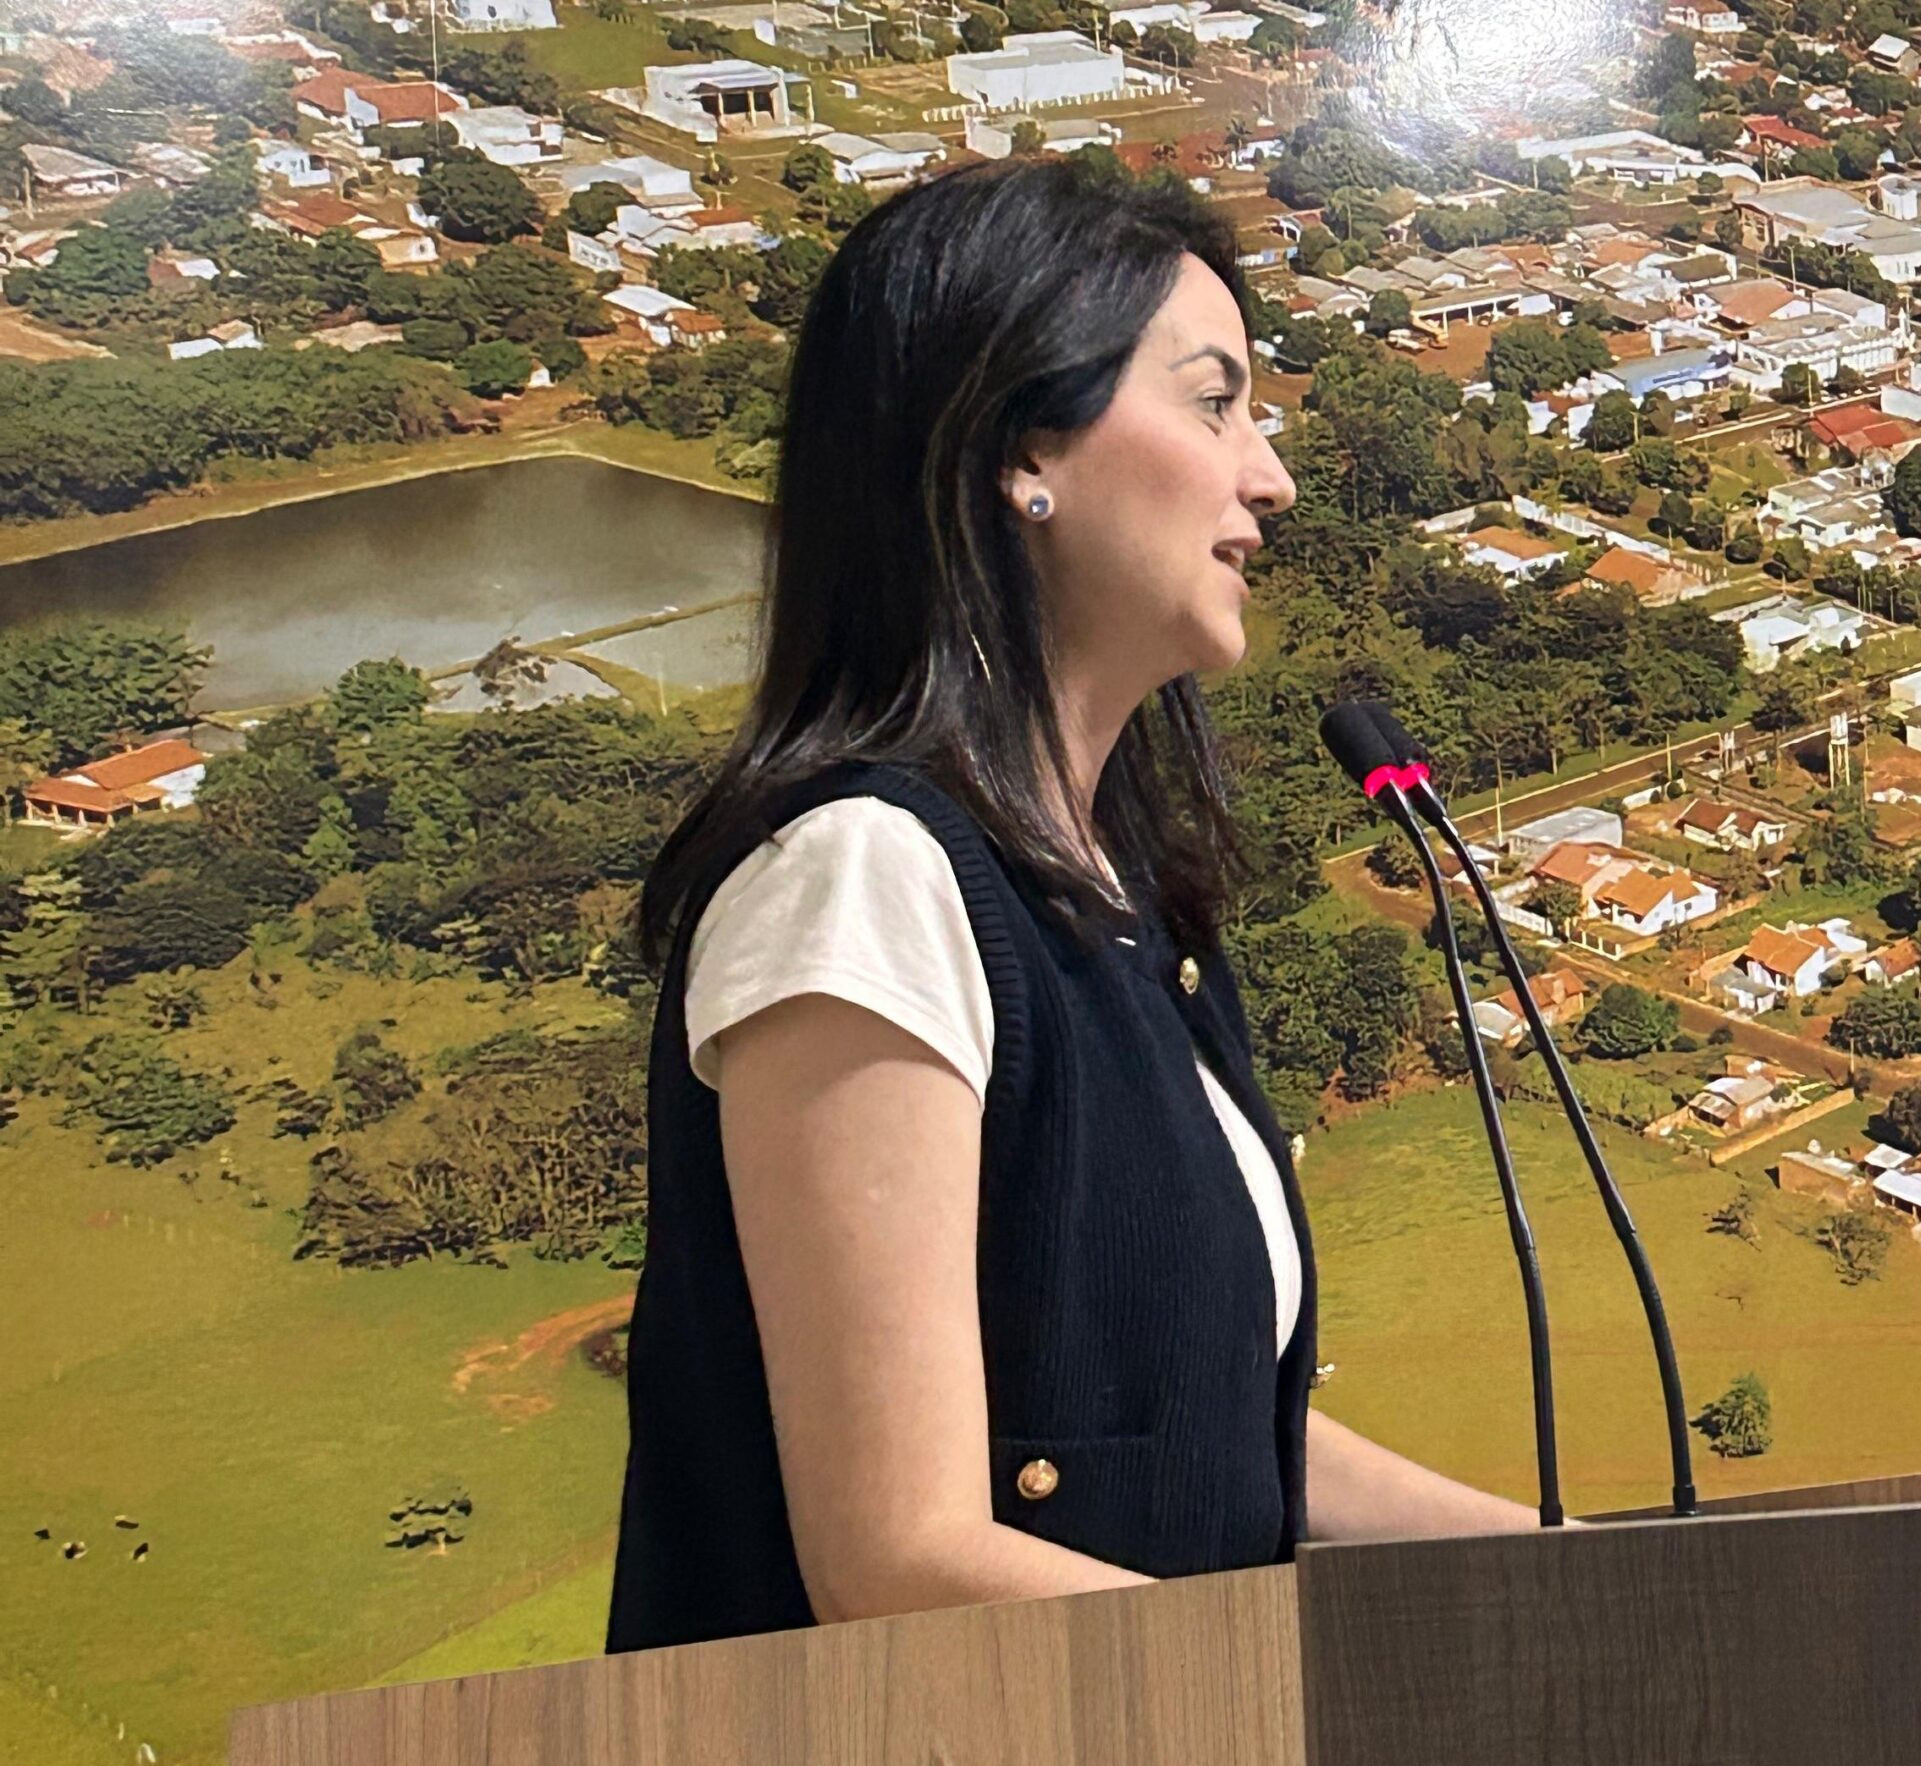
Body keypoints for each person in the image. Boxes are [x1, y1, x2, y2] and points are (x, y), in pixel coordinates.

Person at [605, 159, 1551, 1655]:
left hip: (1135, 1763)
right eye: (1215, 402)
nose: (1269, 479)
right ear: (1021, 447)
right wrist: (1349, 1696)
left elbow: (1223, 1453)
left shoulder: (1120, 902)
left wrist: (1589, 1578)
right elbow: (899, 1561)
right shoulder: (863, 879)